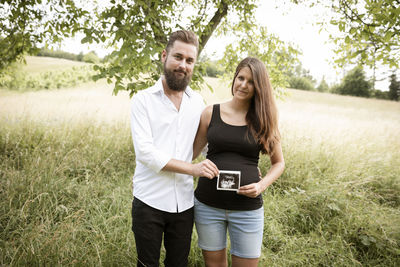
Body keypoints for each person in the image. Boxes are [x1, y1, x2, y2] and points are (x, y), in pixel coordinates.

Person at [130, 30, 219, 267]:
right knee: (147, 264)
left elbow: (208, 146)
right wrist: (193, 169)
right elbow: (146, 153)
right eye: (178, 57)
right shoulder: (143, 100)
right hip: (149, 201)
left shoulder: (198, 103)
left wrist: (245, 169)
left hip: (184, 203)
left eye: (189, 60)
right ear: (164, 56)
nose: (183, 65)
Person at [192, 57, 285, 267]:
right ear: (234, 78)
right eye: (240, 78)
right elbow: (190, 154)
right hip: (208, 205)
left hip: (247, 210)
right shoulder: (210, 113)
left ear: (259, 87)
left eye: (250, 81)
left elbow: (278, 163)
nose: (243, 84)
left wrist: (261, 185)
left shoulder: (265, 119)